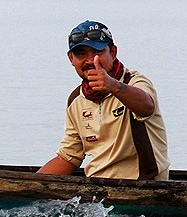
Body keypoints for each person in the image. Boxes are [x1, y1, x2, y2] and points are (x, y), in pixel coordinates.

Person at [38, 20, 170, 180]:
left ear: (113, 52)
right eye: (81, 54)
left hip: (142, 187)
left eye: (97, 52)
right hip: (97, 191)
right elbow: (68, 157)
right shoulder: (75, 100)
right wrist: (28, 188)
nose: (90, 61)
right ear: (71, 59)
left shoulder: (134, 82)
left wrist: (112, 86)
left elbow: (147, 107)